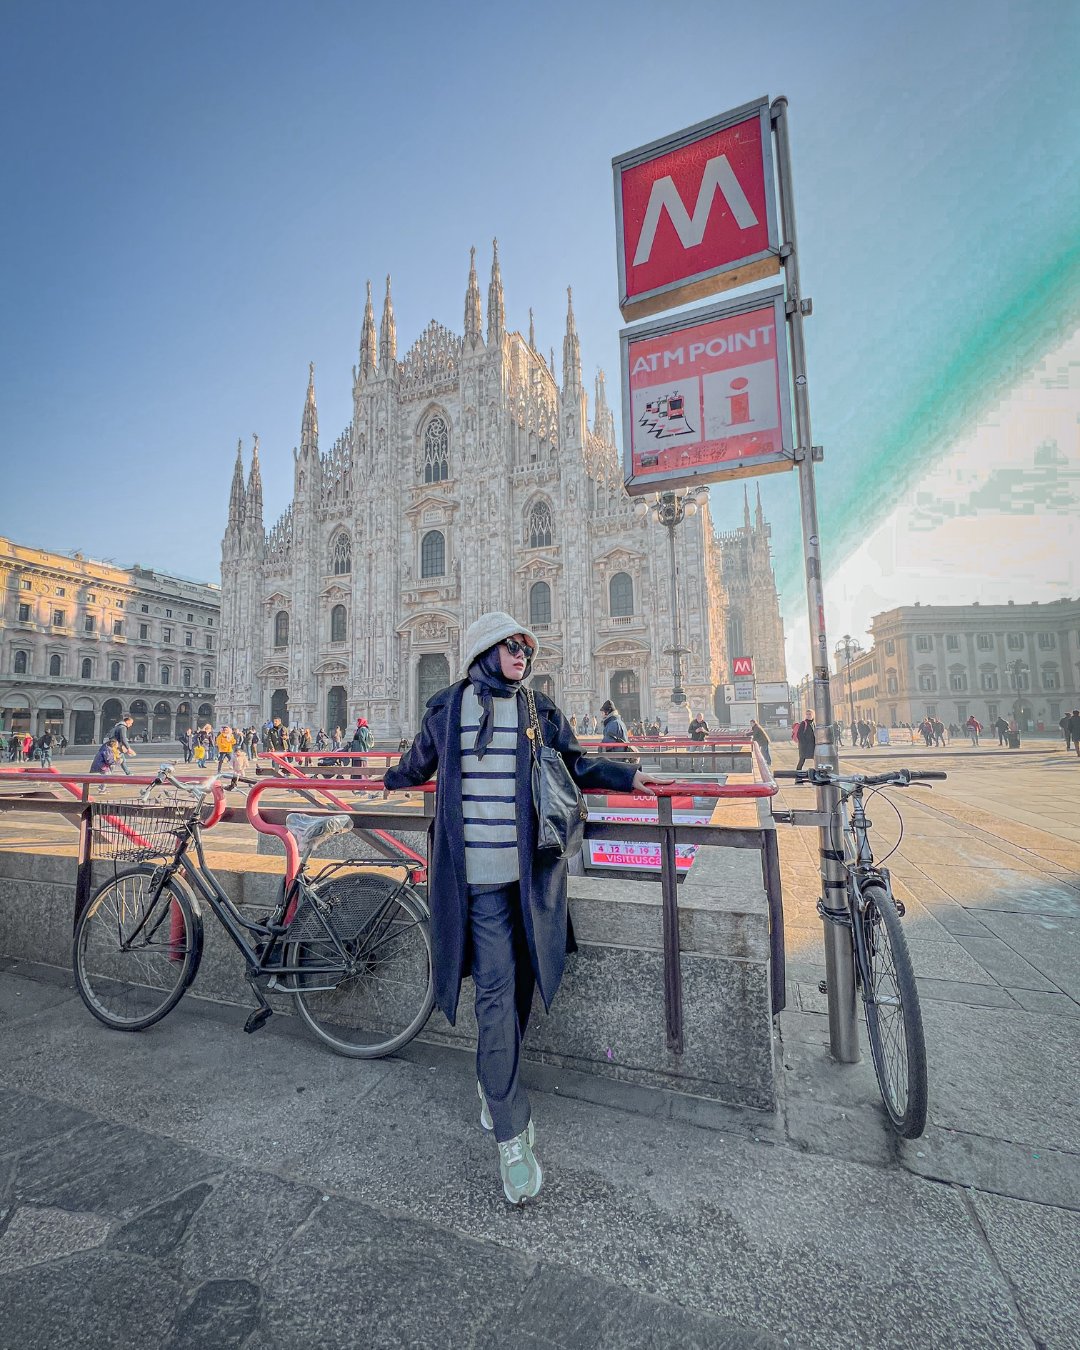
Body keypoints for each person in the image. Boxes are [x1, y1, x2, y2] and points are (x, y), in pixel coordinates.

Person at [383, 612, 663, 1206]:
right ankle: (511, 1134)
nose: (522, 656)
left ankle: (494, 1079)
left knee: (523, 983)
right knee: (493, 993)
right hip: (478, 887)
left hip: (530, 879)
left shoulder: (537, 710)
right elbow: (417, 764)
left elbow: (575, 762)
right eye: (512, 646)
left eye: (527, 650)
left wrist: (625, 777)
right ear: (484, 652)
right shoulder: (446, 710)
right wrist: (388, 778)